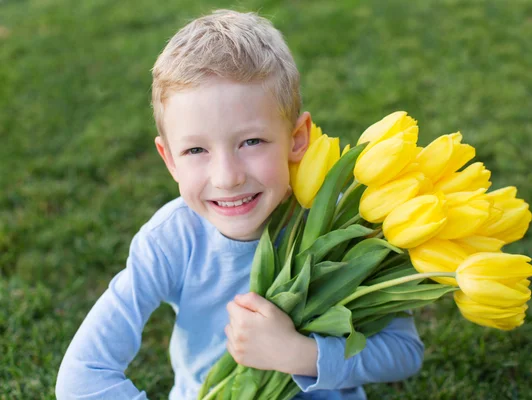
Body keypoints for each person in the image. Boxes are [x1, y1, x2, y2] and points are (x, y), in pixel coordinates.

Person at [55, 9, 424, 400]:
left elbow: (405, 353)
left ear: (298, 139)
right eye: (196, 149)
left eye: (251, 142)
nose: (227, 176)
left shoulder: (344, 227)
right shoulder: (172, 240)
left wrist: (300, 354)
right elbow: (83, 373)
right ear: (170, 160)